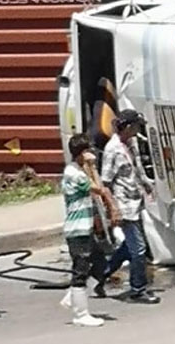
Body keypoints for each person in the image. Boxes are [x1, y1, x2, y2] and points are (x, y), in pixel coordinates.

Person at [101, 109, 161, 304]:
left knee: (131, 245)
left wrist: (147, 185)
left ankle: (103, 274)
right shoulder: (112, 150)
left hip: (136, 201)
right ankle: (138, 289)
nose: (137, 130)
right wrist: (113, 209)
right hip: (124, 205)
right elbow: (106, 183)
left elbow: (137, 169)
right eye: (135, 126)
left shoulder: (132, 143)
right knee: (140, 249)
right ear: (126, 127)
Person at [60, 134, 116, 327]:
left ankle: (73, 297)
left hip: (87, 228)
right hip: (77, 229)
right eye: (88, 151)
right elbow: (99, 188)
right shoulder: (73, 174)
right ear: (81, 153)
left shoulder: (78, 170)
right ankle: (80, 313)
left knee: (100, 264)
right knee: (81, 270)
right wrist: (92, 166)